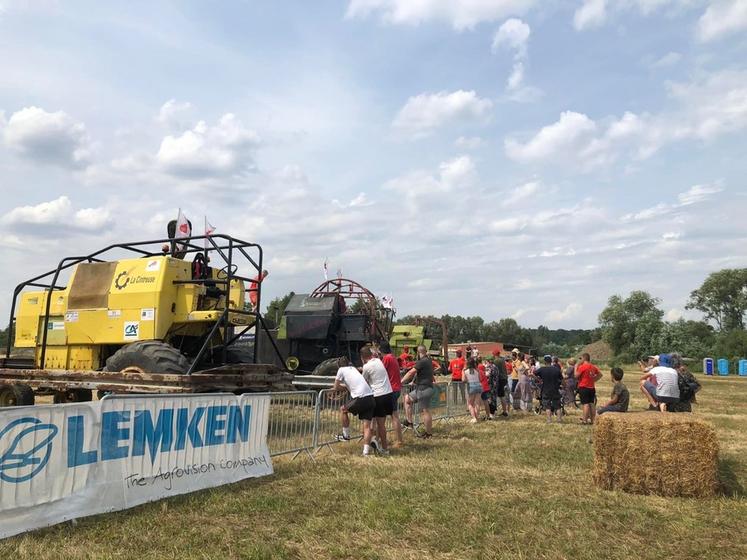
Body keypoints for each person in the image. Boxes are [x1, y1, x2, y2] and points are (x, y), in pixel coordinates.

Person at [333, 356, 376, 456]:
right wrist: (347, 388)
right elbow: (352, 384)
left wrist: (341, 388)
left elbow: (336, 387)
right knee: (367, 427)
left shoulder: (341, 369)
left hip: (360, 398)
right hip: (370, 397)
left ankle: (346, 435)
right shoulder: (353, 369)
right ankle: (365, 452)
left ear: (339, 365)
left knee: (343, 409)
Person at [360, 346, 393, 455]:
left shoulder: (366, 367)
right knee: (381, 424)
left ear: (362, 357)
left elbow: (363, 381)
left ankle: (368, 446)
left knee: (369, 422)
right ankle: (384, 448)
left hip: (377, 395)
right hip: (388, 393)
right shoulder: (379, 361)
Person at [402, 345, 435, 438]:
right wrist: (413, 382)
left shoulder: (422, 361)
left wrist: (401, 382)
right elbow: (419, 373)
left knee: (425, 411)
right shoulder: (428, 360)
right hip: (422, 388)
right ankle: (409, 422)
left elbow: (410, 372)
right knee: (407, 398)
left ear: (418, 352)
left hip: (423, 389)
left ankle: (428, 434)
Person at [379, 341, 404, 447]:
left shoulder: (387, 358)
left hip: (390, 390)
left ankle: (398, 441)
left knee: (390, 416)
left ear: (381, 351)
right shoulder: (392, 357)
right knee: (391, 416)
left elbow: (379, 370)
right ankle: (393, 440)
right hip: (396, 388)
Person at [533, 355, 563, 423]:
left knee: (547, 405)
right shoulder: (556, 369)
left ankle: (549, 420)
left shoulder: (542, 369)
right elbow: (562, 379)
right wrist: (563, 385)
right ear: (551, 361)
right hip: (555, 389)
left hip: (545, 389)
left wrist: (538, 379)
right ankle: (559, 419)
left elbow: (533, 374)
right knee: (557, 405)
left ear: (544, 362)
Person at [575, 353, 602, 424]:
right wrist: (594, 380)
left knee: (585, 404)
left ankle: (584, 420)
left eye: (580, 358)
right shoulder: (593, 366)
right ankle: (593, 420)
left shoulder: (583, 366)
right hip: (591, 387)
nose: (580, 360)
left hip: (584, 387)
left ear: (584, 358)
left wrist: (576, 366)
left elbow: (576, 376)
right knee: (591, 403)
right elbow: (600, 374)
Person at [462, 358, 482, 423]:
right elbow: (480, 378)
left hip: (471, 386)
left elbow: (463, 380)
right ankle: (476, 417)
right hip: (478, 385)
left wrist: (463, 373)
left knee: (470, 404)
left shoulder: (465, 371)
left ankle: (474, 418)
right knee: (477, 403)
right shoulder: (477, 370)